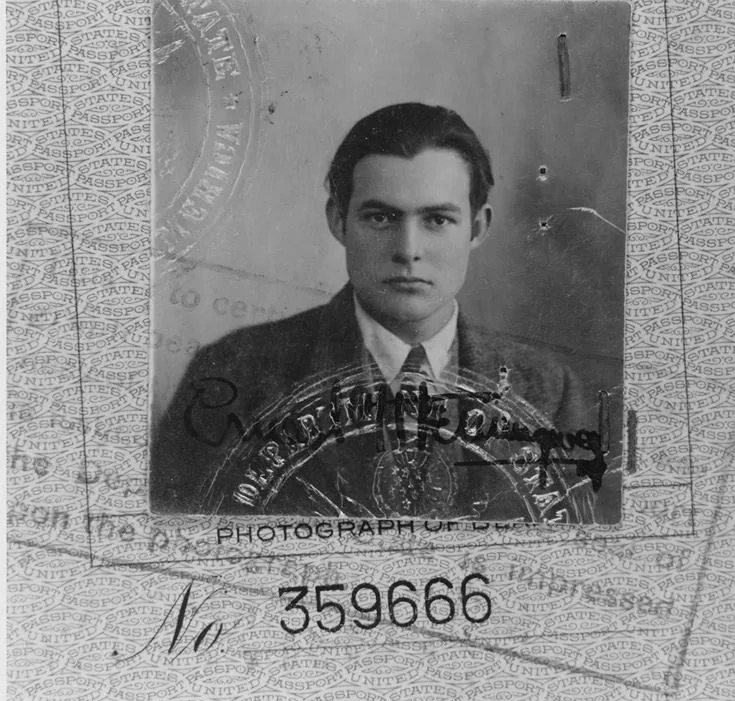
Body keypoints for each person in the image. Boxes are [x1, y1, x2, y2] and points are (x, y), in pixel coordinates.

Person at [151, 103, 592, 516]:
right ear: (338, 221)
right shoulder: (232, 375)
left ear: (477, 228)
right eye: (381, 218)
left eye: (437, 220)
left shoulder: (549, 392)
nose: (408, 250)